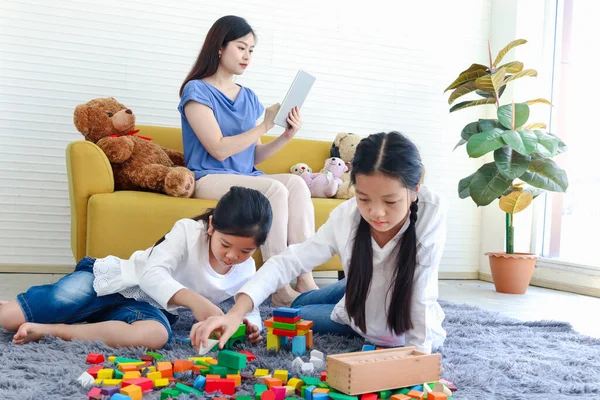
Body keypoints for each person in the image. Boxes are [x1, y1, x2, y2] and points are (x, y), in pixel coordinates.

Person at [190, 132, 447, 354]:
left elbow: (421, 290)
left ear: (415, 190)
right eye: (364, 198)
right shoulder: (346, 216)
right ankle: (343, 291)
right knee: (293, 309)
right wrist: (236, 313)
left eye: (390, 202)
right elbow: (288, 262)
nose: (376, 213)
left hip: (392, 322)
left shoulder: (430, 211)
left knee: (298, 311)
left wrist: (419, 358)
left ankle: (348, 291)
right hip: (358, 305)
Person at [0, 187, 272, 349]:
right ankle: (14, 307)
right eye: (226, 244)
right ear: (212, 226)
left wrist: (250, 325)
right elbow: (151, 274)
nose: (232, 256)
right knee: (9, 318)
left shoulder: (245, 269)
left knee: (155, 335)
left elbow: (250, 303)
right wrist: (195, 301)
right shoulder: (188, 232)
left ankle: (52, 330)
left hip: (148, 308)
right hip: (113, 281)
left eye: (246, 251)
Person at [178, 15, 318, 305]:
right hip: (208, 176)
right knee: (274, 189)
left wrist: (285, 136)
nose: (247, 56)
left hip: (246, 176)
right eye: (241, 48)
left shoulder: (249, 97)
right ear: (219, 46)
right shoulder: (196, 91)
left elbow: (253, 155)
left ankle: (305, 277)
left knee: (295, 184)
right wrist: (264, 125)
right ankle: (277, 284)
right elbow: (217, 149)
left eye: (251, 50)